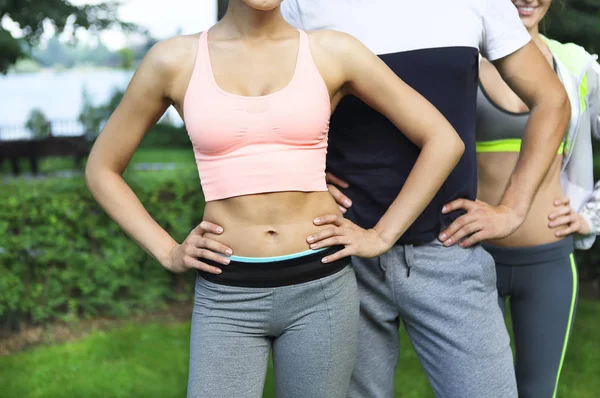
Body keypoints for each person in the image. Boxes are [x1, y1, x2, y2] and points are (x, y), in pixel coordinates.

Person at [85, 0, 465, 397]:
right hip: (227, 295)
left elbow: (443, 140)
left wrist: (381, 235)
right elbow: (102, 169)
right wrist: (167, 251)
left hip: (321, 290)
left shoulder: (332, 51)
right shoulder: (174, 60)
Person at [281, 0, 571, 397]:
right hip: (343, 255)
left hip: (448, 249)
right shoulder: (304, 5)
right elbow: (264, 102)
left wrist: (513, 208)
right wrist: (299, 176)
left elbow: (552, 100)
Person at [468, 1, 600, 396]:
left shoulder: (576, 65)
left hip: (548, 262)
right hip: (470, 261)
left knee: (537, 391)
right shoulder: (459, 62)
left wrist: (592, 215)